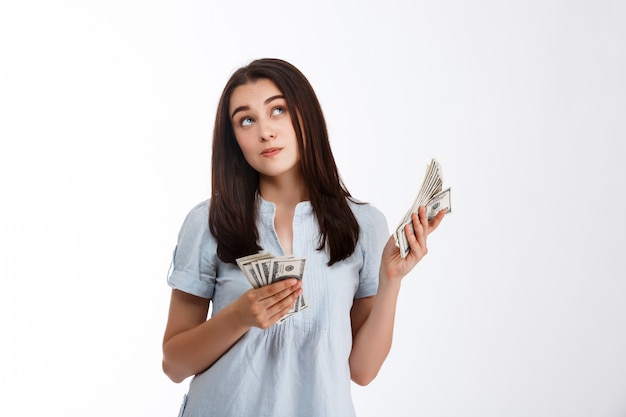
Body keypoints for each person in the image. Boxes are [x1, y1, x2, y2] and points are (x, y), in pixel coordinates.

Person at [162, 58, 445, 417]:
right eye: (246, 120)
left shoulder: (364, 225)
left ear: (305, 116)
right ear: (234, 138)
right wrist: (240, 316)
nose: (265, 131)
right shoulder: (207, 222)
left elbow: (362, 371)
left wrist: (391, 280)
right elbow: (174, 364)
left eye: (277, 110)